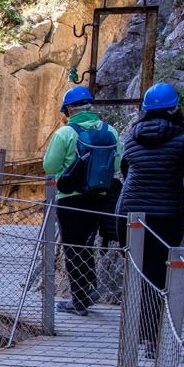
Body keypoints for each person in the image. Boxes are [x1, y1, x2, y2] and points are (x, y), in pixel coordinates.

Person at [118, 82, 184, 344]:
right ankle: (152, 338)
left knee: (136, 272)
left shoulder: (132, 137)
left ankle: (134, 333)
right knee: (158, 275)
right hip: (166, 215)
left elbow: (125, 171)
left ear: (143, 110)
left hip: (129, 213)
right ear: (175, 109)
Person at [42, 85, 123, 316]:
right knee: (88, 243)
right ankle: (89, 288)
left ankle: (78, 300)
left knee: (72, 248)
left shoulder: (65, 134)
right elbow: (116, 165)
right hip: (99, 197)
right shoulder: (110, 131)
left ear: (68, 109)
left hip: (70, 199)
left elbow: (50, 166)